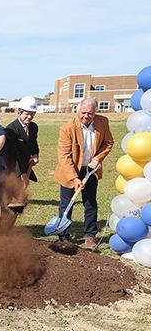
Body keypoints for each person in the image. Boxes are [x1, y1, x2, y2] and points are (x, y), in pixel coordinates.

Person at [53, 98, 113, 250]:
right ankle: (63, 236)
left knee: (90, 202)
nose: (86, 116)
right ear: (77, 111)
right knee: (67, 204)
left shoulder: (103, 122)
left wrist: (98, 158)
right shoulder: (67, 128)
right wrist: (74, 178)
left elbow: (108, 143)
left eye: (90, 113)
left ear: (95, 113)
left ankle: (90, 235)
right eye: (83, 113)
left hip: (90, 169)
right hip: (69, 170)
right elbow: (64, 156)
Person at [3, 96, 40, 231]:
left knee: (19, 199)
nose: (29, 117)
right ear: (19, 112)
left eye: (32, 114)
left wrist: (36, 154)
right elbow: (12, 154)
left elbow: (34, 144)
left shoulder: (34, 127)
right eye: (27, 113)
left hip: (26, 167)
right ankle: (3, 228)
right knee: (11, 200)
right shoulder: (11, 129)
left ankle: (8, 228)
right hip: (13, 170)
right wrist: (22, 173)